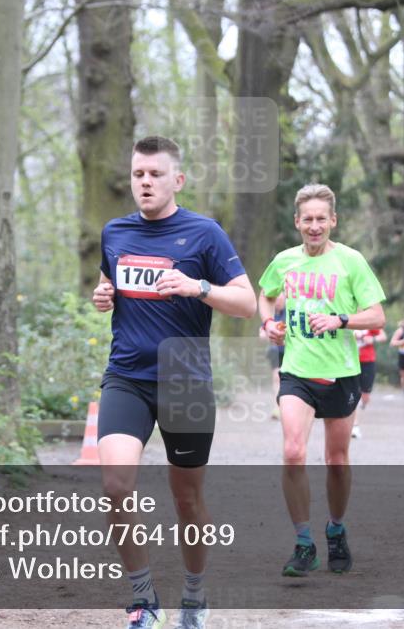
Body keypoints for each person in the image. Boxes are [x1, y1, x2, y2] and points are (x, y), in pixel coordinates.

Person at [92, 136, 257, 629]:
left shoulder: (205, 234)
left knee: (187, 499)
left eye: (155, 174)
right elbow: (111, 284)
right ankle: (144, 600)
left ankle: (194, 595)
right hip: (127, 377)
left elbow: (248, 303)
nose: (145, 182)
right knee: (116, 485)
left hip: (185, 379)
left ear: (177, 180)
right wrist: (102, 296)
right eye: (138, 174)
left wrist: (198, 287)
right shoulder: (115, 232)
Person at [257, 184, 386, 577]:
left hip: (341, 374)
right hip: (296, 371)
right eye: (307, 219)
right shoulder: (284, 261)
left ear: (333, 220)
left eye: (321, 219)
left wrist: (341, 319)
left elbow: (377, 316)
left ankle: (335, 529)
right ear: (297, 222)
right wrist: (268, 323)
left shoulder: (351, 262)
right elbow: (264, 295)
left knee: (336, 461)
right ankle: (303, 542)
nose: (314, 227)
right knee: (293, 451)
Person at [350, 327, 387, 438]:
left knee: (365, 396)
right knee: (355, 394)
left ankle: (361, 405)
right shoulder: (347, 318)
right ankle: (355, 426)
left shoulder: (368, 322)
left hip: (367, 361)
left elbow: (383, 336)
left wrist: (373, 339)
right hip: (351, 361)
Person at [258, 294, 286, 420]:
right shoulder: (270, 313)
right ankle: (277, 407)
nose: (278, 302)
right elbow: (263, 329)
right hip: (275, 351)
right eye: (276, 300)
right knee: (276, 377)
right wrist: (263, 333)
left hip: (290, 351)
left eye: (280, 300)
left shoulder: (291, 311)